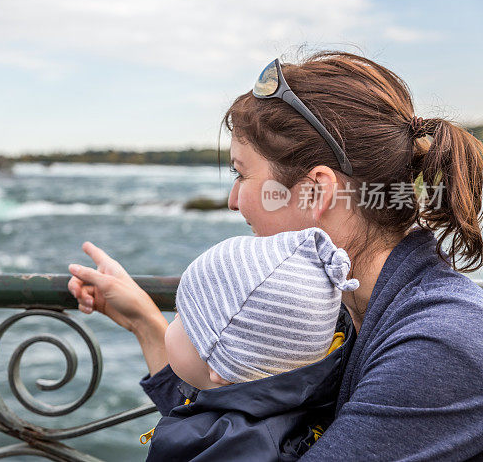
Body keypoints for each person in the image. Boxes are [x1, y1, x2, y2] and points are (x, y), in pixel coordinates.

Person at [67, 51, 483, 460]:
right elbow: (241, 433)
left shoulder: (440, 344)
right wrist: (145, 321)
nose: (232, 200)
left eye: (241, 174)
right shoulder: (340, 306)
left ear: (316, 190)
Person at [145, 227, 358, 461]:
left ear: (223, 366)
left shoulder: (226, 449)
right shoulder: (290, 417)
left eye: (183, 314)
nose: (174, 317)